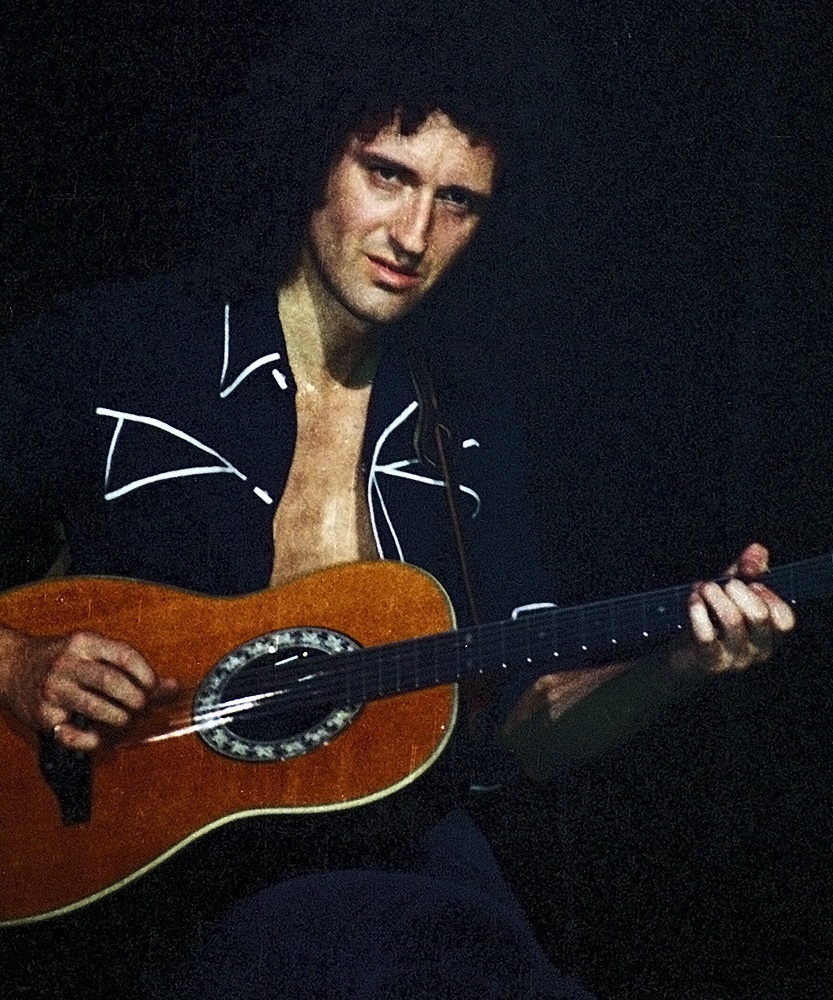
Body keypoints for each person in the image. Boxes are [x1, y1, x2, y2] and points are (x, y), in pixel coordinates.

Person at [0, 12, 795, 999]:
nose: (414, 236)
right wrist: (17, 662)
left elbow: (529, 720)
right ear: (312, 157)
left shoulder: (464, 426)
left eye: (456, 201)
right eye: (387, 175)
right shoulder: (122, 346)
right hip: (132, 888)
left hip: (390, 887)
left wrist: (677, 662)